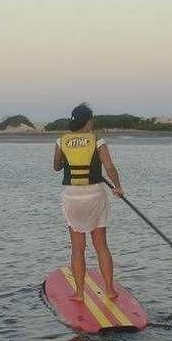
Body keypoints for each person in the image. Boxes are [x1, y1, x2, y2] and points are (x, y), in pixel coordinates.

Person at [53, 103, 124, 302]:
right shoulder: (97, 141)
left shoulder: (61, 142)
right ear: (89, 121)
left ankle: (79, 293)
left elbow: (56, 167)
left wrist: (68, 161)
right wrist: (118, 187)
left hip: (72, 196)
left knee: (77, 247)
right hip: (95, 194)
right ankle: (109, 291)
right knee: (101, 245)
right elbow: (109, 168)